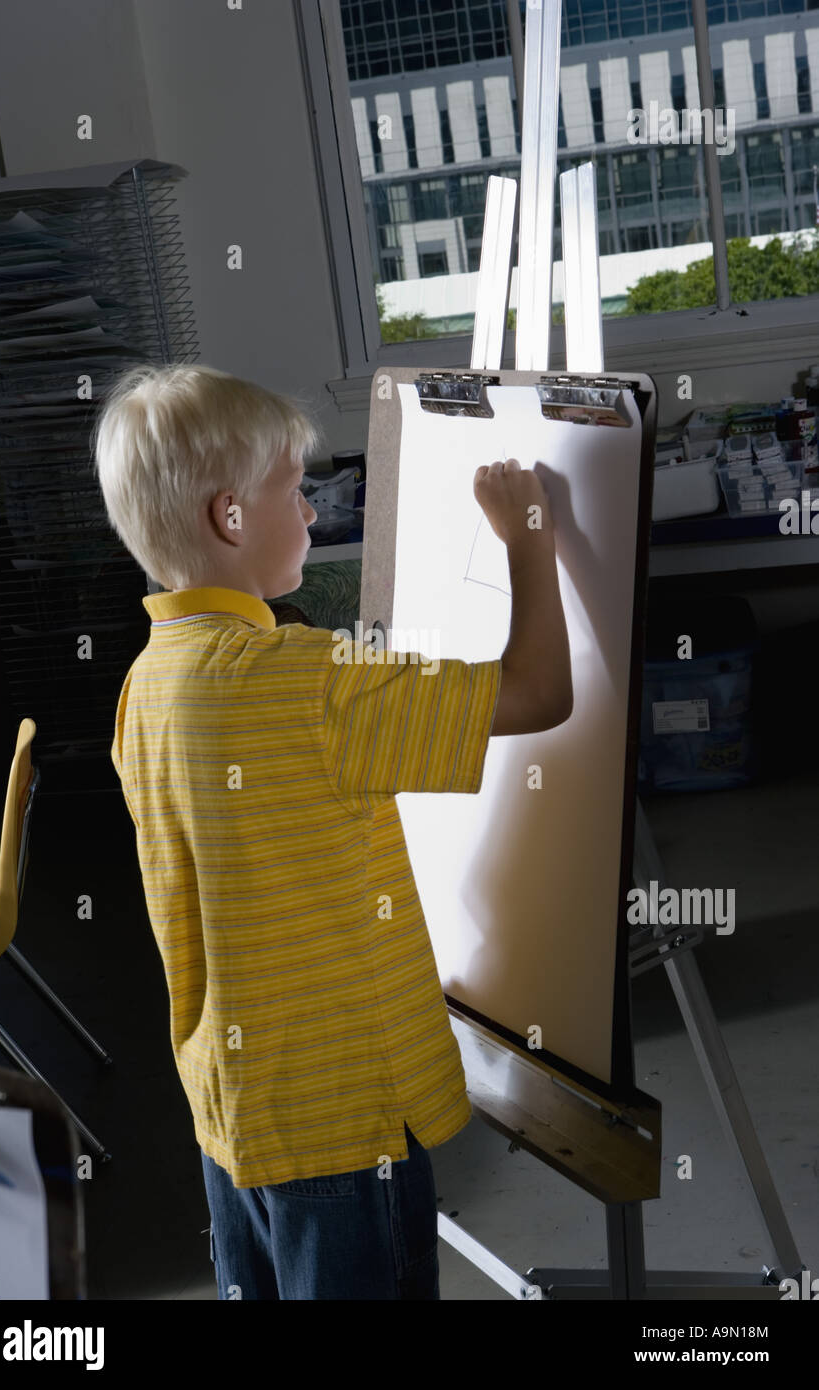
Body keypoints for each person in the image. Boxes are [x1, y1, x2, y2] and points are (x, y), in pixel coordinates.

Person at [92, 363, 572, 1300]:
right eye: (294, 489)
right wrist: (530, 538)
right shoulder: (302, 680)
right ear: (230, 518)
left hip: (237, 1112)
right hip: (344, 1117)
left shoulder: (144, 685)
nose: (312, 512)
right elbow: (541, 692)